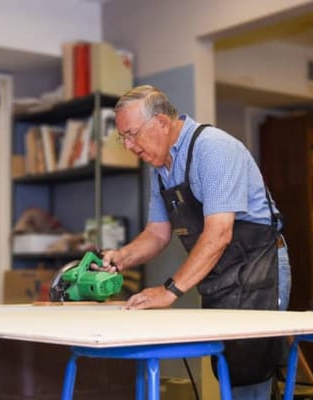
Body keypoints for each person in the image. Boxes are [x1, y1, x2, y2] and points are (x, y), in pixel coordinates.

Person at [96, 85, 292, 400]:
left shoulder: (213, 149)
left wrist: (169, 290)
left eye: (132, 135)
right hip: (220, 271)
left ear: (160, 122)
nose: (130, 146)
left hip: (259, 267)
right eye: (124, 138)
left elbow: (219, 233)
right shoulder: (160, 168)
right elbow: (157, 234)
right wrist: (122, 256)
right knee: (228, 368)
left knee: (250, 371)